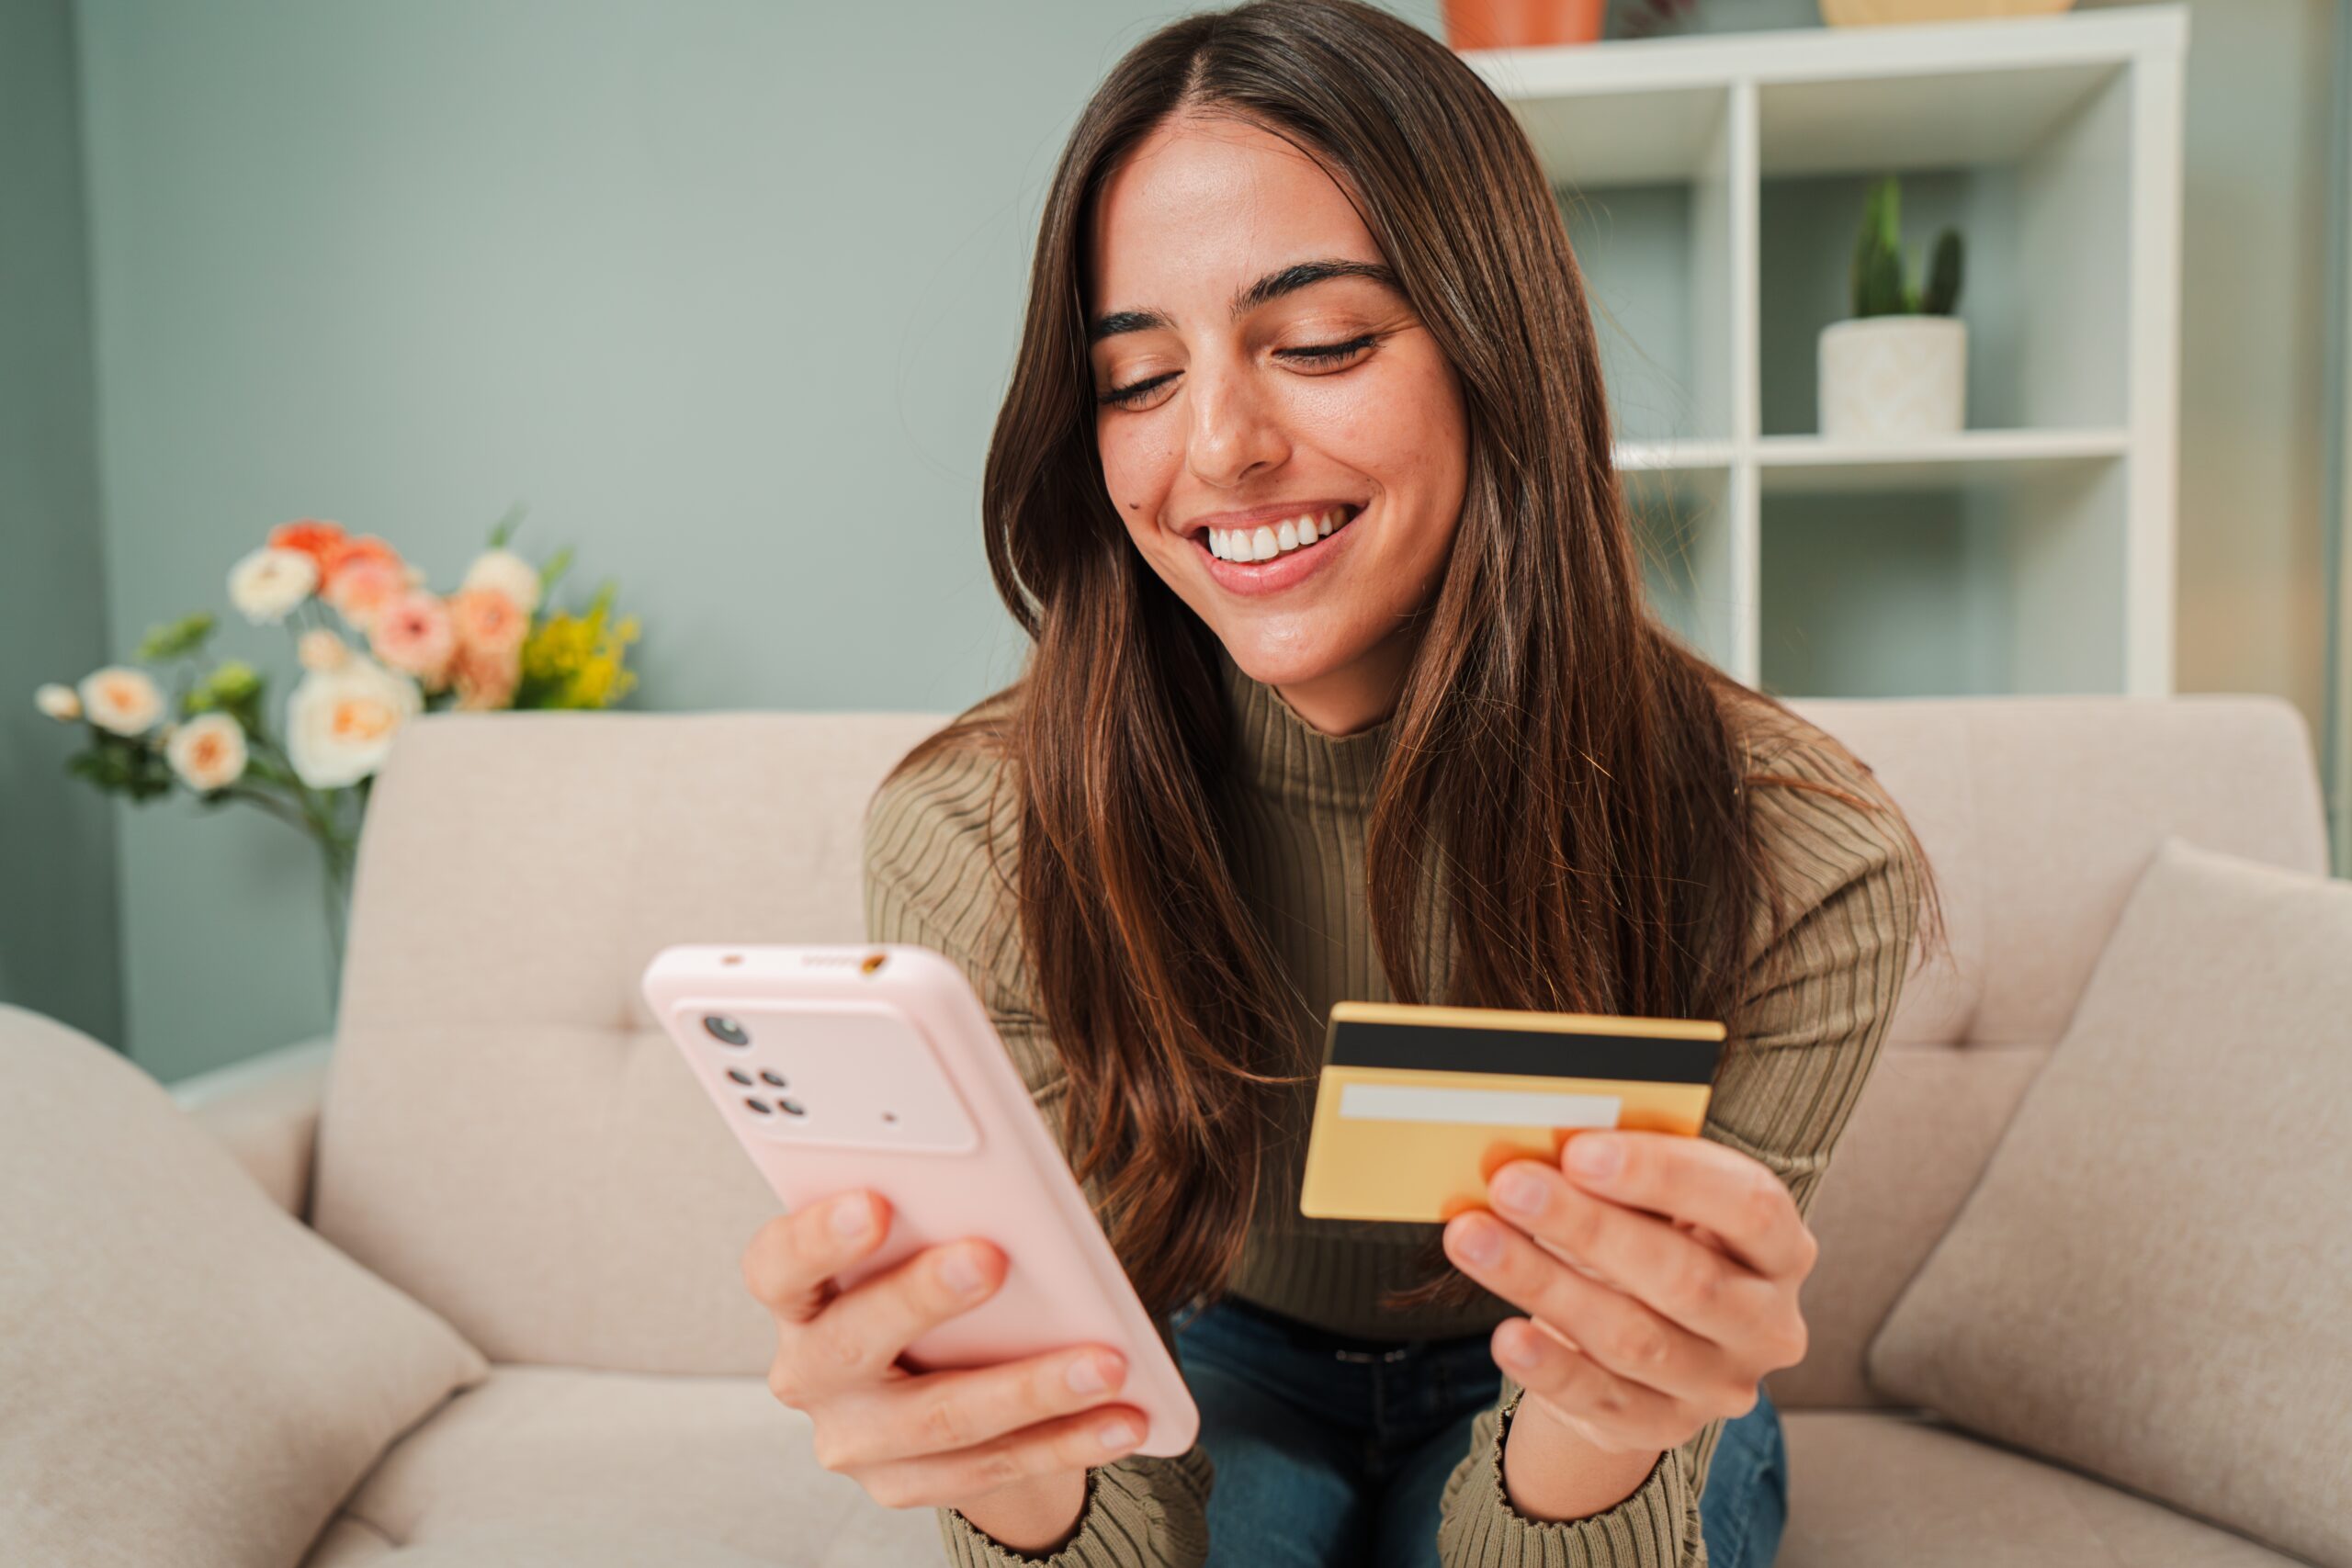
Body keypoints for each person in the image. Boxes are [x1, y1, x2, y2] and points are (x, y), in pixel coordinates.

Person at [739, 3, 1948, 1563]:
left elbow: (1617, 1438)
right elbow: (1081, 1492)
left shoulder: (1808, 852)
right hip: (1220, 1346)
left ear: (1496, 350)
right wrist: (1005, 1465)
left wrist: (1598, 1421)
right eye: (1137, 378)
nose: (1223, 447)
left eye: (1321, 343)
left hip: (1586, 1364)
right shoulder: (979, 830)